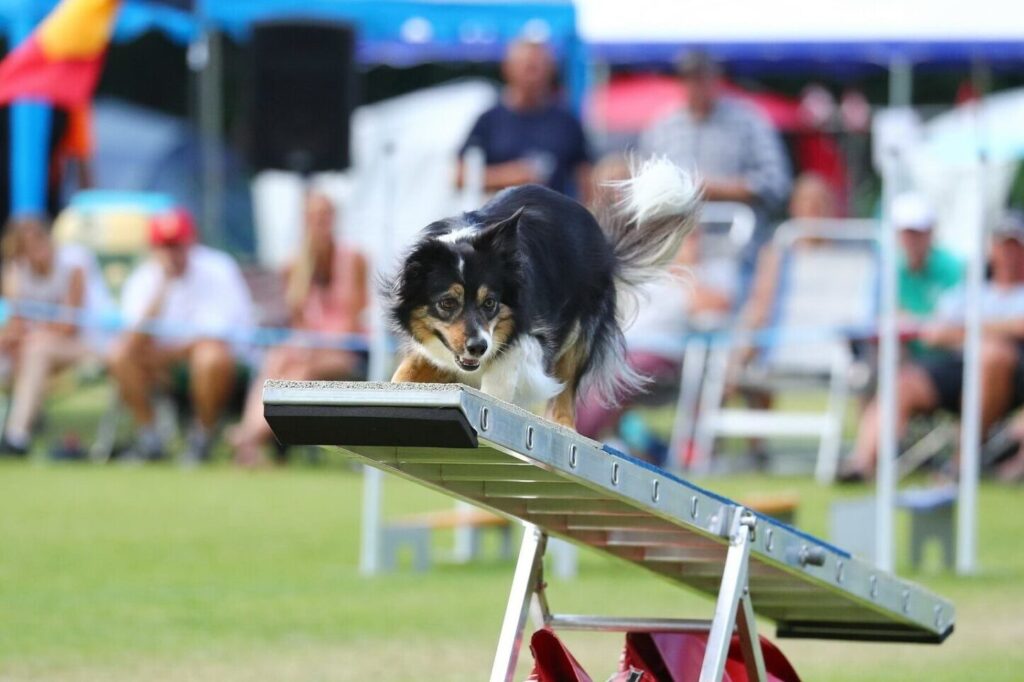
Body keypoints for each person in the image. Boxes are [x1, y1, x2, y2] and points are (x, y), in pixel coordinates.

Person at [841, 211, 1024, 482]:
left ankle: (962, 461)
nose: (1008, 254)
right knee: (903, 382)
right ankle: (861, 462)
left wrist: (970, 328)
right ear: (992, 250)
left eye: (1015, 247)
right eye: (1002, 246)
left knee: (991, 355)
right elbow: (935, 333)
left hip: (1010, 375)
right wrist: (985, 328)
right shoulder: (971, 290)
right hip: (959, 367)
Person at [575, 155, 736, 450]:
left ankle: (581, 442)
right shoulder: (612, 250)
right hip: (617, 343)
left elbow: (716, 306)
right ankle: (602, 443)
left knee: (615, 374)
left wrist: (688, 266)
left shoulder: (695, 254)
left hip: (661, 347)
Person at [228, 191, 368, 466]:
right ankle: (250, 443)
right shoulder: (294, 265)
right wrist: (305, 269)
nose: (319, 224)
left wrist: (313, 348)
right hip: (309, 347)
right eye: (313, 218)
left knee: (300, 369)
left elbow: (352, 319)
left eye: (324, 217)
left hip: (347, 349)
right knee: (277, 360)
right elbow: (297, 319)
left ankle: (248, 437)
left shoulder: (353, 260)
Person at [109, 208, 254, 464]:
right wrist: (161, 291)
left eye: (177, 245)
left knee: (208, 357)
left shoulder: (218, 268)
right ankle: (150, 437)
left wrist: (162, 355)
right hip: (164, 364)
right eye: (165, 246)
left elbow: (216, 337)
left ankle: (202, 436)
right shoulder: (145, 278)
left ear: (191, 241)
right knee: (119, 355)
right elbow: (131, 341)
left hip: (218, 363)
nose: (172, 254)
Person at [638, 51, 792, 293]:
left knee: (718, 304)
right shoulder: (662, 127)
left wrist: (713, 188)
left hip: (734, 251)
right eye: (689, 77)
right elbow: (643, 191)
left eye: (702, 77)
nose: (696, 85)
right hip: (674, 254)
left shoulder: (749, 122)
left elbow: (776, 183)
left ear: (716, 78)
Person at [0, 215, 112, 456]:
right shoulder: (15, 274)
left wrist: (28, 336)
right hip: (34, 348)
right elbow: (16, 323)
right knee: (23, 352)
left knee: (37, 348)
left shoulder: (73, 267)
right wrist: (12, 339)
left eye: (39, 240)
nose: (37, 249)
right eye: (28, 245)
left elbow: (68, 326)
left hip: (84, 345)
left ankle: (17, 434)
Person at [457, 39, 591, 200]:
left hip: (552, 220)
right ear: (507, 68)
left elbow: (585, 177)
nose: (533, 75)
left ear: (551, 70)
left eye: (539, 67)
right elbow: (458, 175)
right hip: (500, 219)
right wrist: (507, 176)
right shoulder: (489, 120)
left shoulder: (566, 122)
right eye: (528, 67)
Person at [892, 192, 963, 354]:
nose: (912, 240)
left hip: (946, 355)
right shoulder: (890, 269)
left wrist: (911, 323)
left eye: (918, 232)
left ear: (931, 232)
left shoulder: (952, 267)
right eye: (907, 233)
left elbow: (947, 324)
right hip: (909, 353)